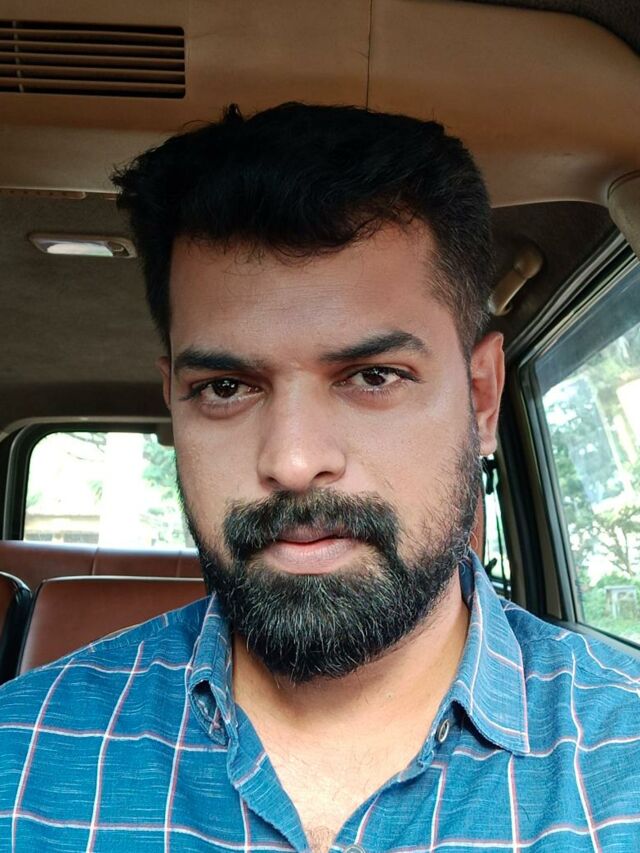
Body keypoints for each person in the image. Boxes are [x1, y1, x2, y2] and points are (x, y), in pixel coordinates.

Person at [1, 102, 639, 853]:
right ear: (173, 399)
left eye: (373, 375)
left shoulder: (621, 757)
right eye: (226, 387)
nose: (294, 460)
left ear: (481, 398)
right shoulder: (20, 754)